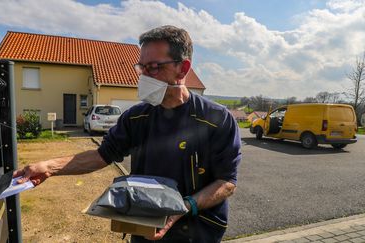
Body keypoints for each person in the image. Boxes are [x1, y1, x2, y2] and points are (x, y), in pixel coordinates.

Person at [14, 25, 241, 242]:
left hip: (198, 232)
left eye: (153, 67)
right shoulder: (136, 117)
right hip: (144, 228)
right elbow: (102, 155)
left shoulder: (217, 120)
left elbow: (226, 182)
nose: (143, 76)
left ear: (182, 68)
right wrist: (49, 167)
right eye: (141, 68)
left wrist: (186, 206)